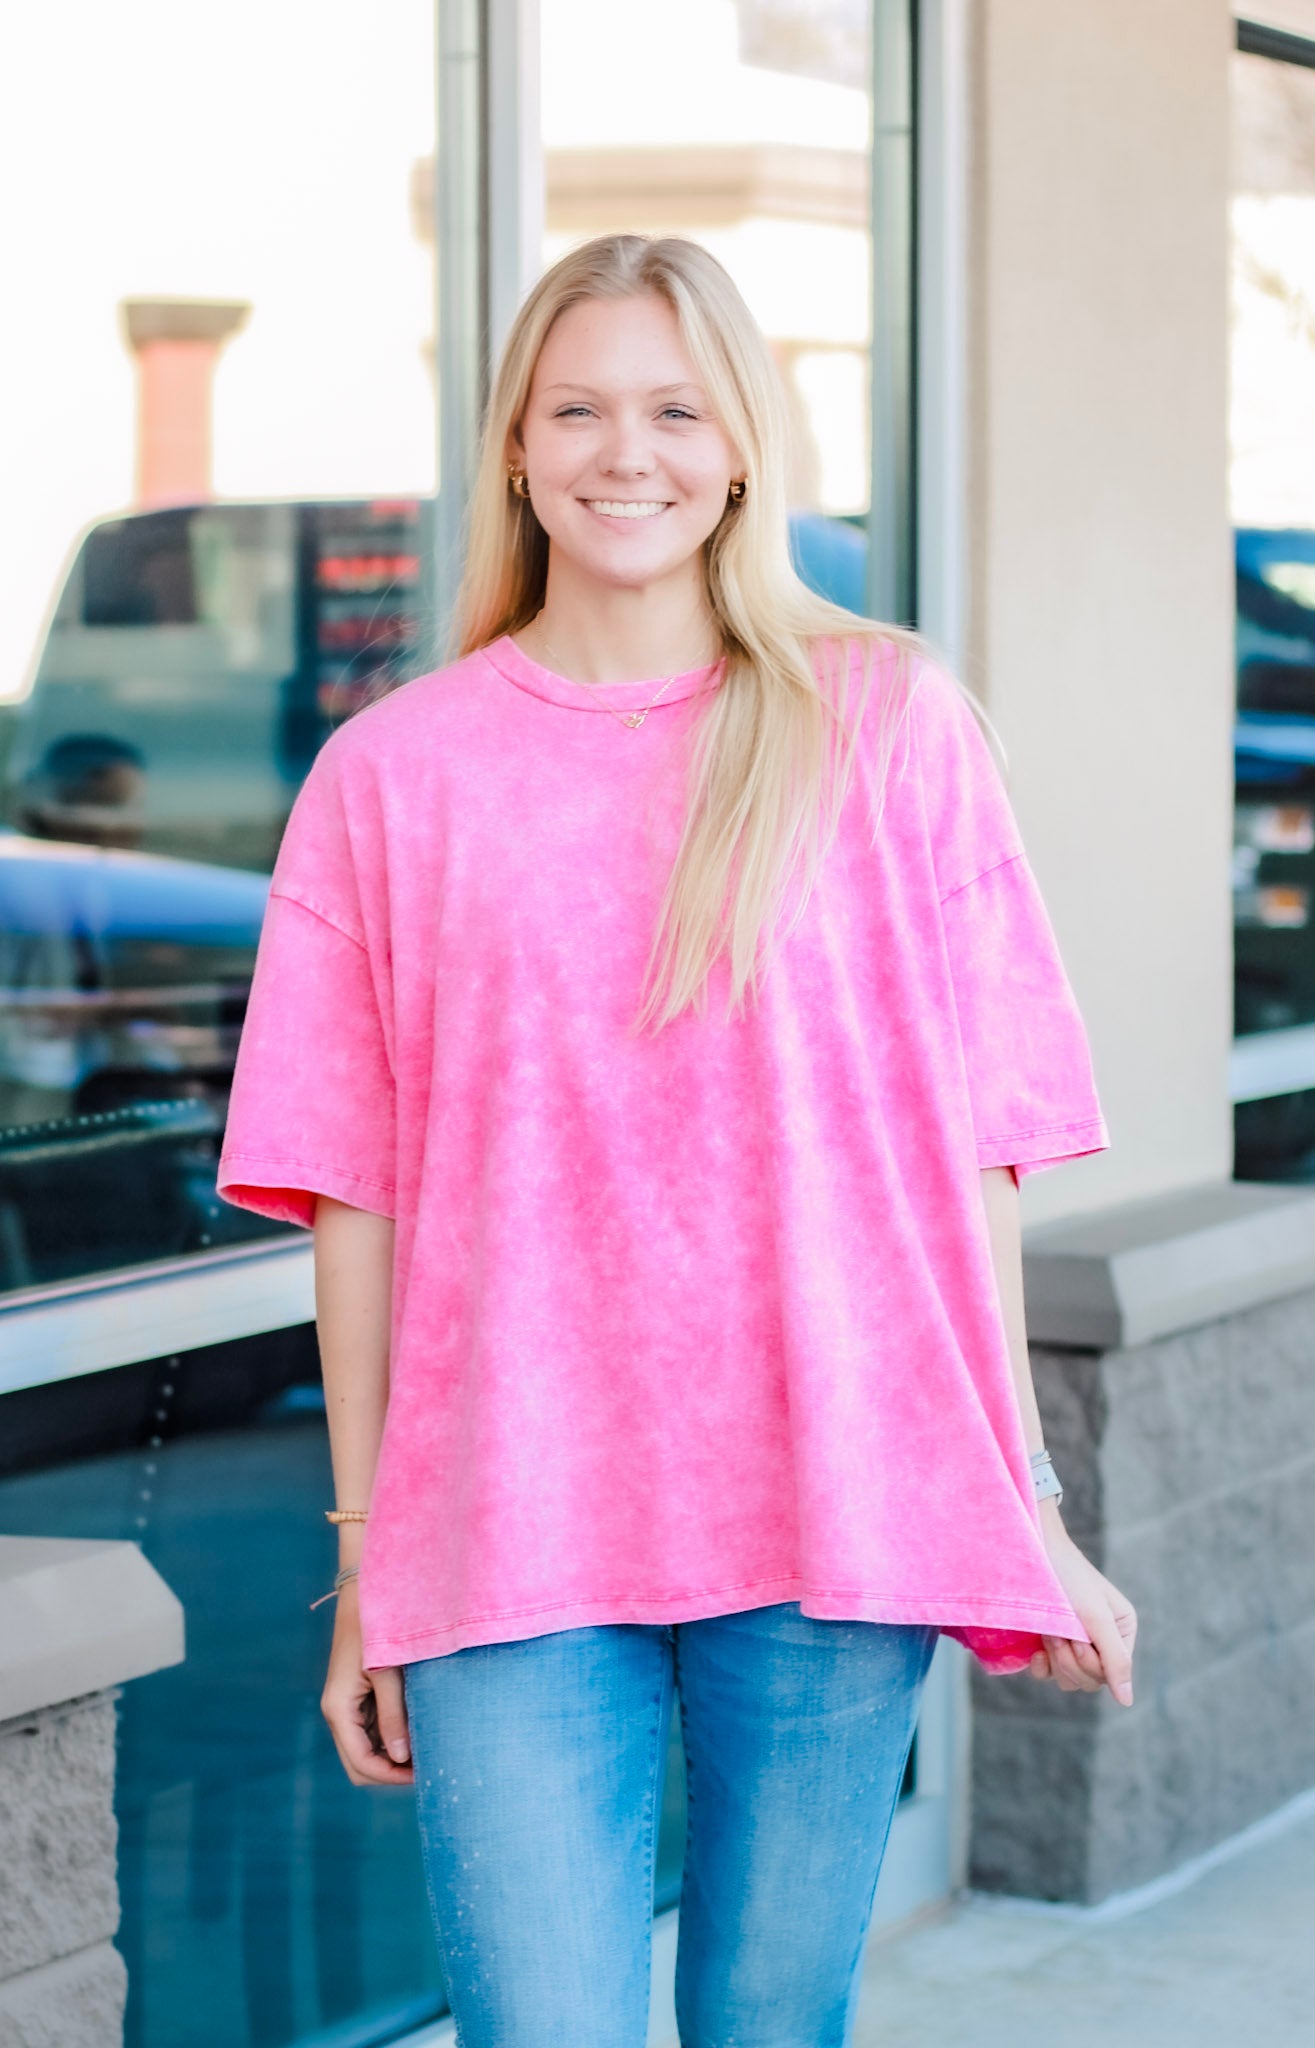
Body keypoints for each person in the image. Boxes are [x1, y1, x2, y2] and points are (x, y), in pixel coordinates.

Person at [216, 232, 1136, 2048]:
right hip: (509, 1521)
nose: (621, 452)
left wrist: (1027, 1505)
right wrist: (365, 1565)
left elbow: (976, 1158)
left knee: (766, 2022)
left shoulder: (888, 727)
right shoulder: (395, 777)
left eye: (671, 409)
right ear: (514, 448)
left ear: (737, 449)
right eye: (576, 409)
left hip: (834, 1500)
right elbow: (355, 1199)